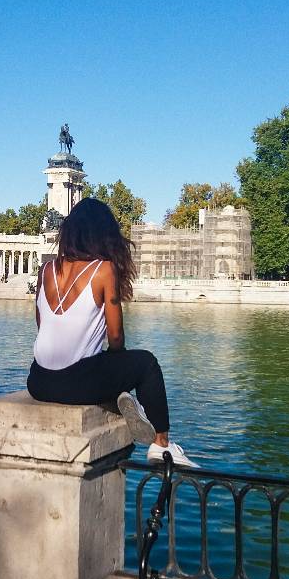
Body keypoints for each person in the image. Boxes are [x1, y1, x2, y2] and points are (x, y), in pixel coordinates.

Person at [27, 198, 198, 467]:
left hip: (38, 382)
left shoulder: (46, 269)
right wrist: (117, 362)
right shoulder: (103, 269)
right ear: (105, 235)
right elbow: (116, 337)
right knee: (146, 364)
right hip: (78, 384)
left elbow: (41, 325)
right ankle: (162, 443)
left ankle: (118, 394)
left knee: (100, 367)